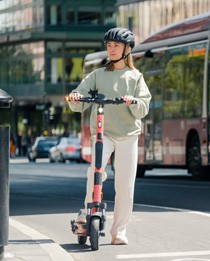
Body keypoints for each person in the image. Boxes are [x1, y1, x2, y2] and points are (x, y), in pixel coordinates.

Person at [68, 27, 151, 245]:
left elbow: (143, 108)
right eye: (109, 46)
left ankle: (119, 231)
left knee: (125, 184)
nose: (111, 49)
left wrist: (132, 101)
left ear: (127, 49)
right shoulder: (97, 75)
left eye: (116, 45)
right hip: (102, 134)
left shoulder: (136, 77)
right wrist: (76, 97)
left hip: (128, 135)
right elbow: (80, 98)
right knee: (94, 174)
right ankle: (89, 214)